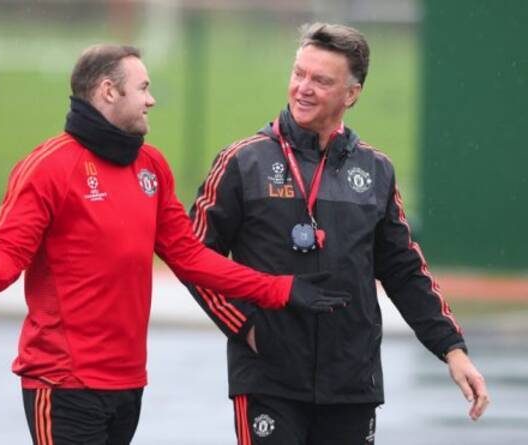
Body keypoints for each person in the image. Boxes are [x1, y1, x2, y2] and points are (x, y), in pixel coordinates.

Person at [0, 44, 351, 445]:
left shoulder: (151, 166)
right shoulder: (49, 166)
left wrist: (281, 289)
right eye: (143, 88)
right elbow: (8, 248)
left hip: (128, 384)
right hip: (62, 381)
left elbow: (191, 257)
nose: (151, 99)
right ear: (109, 91)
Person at [185, 23, 489, 444]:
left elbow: (404, 270)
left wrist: (452, 349)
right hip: (269, 379)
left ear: (352, 94)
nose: (303, 88)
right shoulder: (243, 162)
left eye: (321, 80)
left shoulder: (376, 170)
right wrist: (248, 326)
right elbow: (193, 255)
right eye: (299, 74)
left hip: (351, 383)